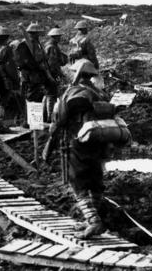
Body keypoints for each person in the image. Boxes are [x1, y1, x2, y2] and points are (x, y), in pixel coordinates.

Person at [48, 59, 112, 239]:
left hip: (78, 142)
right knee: (95, 179)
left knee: (78, 183)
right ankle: (92, 218)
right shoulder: (99, 93)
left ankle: (94, 221)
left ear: (77, 73)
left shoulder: (74, 91)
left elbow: (60, 118)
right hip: (99, 142)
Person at [14, 22, 58, 121]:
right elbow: (39, 60)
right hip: (32, 76)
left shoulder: (34, 44)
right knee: (33, 99)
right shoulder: (28, 44)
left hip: (33, 76)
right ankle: (34, 122)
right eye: (37, 33)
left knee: (33, 98)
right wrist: (48, 75)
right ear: (33, 33)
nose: (39, 35)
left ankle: (30, 121)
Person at [43, 27, 68, 120]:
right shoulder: (52, 47)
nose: (60, 38)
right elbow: (53, 64)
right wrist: (58, 74)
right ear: (55, 37)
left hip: (47, 73)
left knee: (47, 95)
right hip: (51, 74)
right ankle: (49, 117)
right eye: (59, 36)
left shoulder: (48, 45)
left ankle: (45, 116)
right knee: (51, 95)